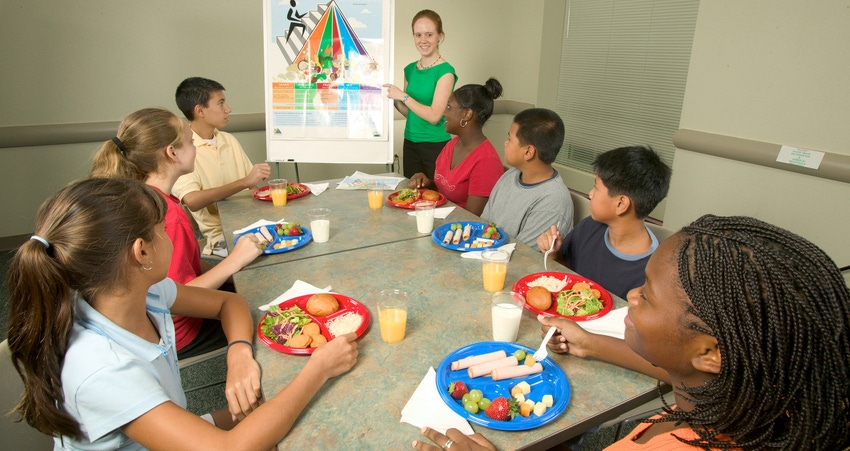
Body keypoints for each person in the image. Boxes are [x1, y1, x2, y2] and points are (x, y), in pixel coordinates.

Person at [416, 215, 850, 450]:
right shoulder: (753, 396)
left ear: (710, 352)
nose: (630, 294)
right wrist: (593, 344)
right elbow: (681, 366)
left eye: (649, 295)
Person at [6, 177, 358, 450]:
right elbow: (230, 447)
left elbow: (228, 303)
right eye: (161, 230)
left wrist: (238, 352)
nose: (171, 235)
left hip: (164, 432)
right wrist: (318, 368)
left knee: (275, 414)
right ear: (141, 253)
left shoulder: (139, 291)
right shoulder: (103, 368)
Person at [90, 107, 265, 359]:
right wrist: (234, 261)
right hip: (179, 331)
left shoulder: (140, 197)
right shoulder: (167, 216)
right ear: (172, 153)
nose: (194, 147)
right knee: (265, 309)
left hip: (146, 321)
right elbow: (181, 296)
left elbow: (184, 267)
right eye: (190, 142)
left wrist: (231, 267)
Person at [538, 145, 671, 299]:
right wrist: (553, 254)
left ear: (621, 204)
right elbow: (567, 271)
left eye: (596, 187)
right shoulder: (589, 227)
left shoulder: (651, 272)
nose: (590, 193)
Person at [172, 76, 272, 258]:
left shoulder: (228, 140)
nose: (228, 109)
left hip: (251, 225)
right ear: (200, 111)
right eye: (221, 103)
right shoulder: (183, 150)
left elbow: (252, 188)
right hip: (220, 238)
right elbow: (192, 201)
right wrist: (244, 182)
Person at [407, 78, 505, 216]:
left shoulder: (486, 161)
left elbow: (471, 218)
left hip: (460, 230)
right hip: (441, 220)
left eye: (449, 107)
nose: (444, 113)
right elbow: (445, 191)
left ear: (467, 114)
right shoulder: (452, 144)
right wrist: (427, 184)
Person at [480, 108, 573, 249]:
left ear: (528, 152)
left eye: (510, 139)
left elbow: (523, 256)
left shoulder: (552, 202)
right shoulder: (511, 175)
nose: (505, 143)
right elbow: (484, 225)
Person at [384, 9, 457, 180]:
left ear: (440, 36)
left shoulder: (446, 72)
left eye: (429, 34)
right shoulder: (409, 70)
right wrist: (393, 99)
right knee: (412, 197)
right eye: (418, 35)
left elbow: (434, 116)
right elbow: (411, 113)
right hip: (410, 142)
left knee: (436, 198)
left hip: (435, 145)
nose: (423, 40)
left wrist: (403, 96)